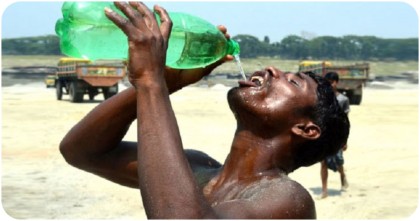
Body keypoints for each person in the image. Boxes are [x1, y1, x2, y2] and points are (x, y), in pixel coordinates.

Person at [59, 2, 350, 219]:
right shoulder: (197, 169)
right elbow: (82, 151)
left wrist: (150, 82)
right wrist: (166, 83)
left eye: (293, 81)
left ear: (305, 128)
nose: (273, 70)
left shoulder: (289, 200)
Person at [320, 71, 350, 199]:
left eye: (332, 82)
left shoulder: (343, 100)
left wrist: (345, 140)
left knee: (338, 162)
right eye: (327, 82)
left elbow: (345, 122)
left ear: (337, 83)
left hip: (337, 136)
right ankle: (324, 190)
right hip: (324, 136)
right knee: (323, 163)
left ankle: (342, 176)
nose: (330, 85)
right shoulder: (321, 98)